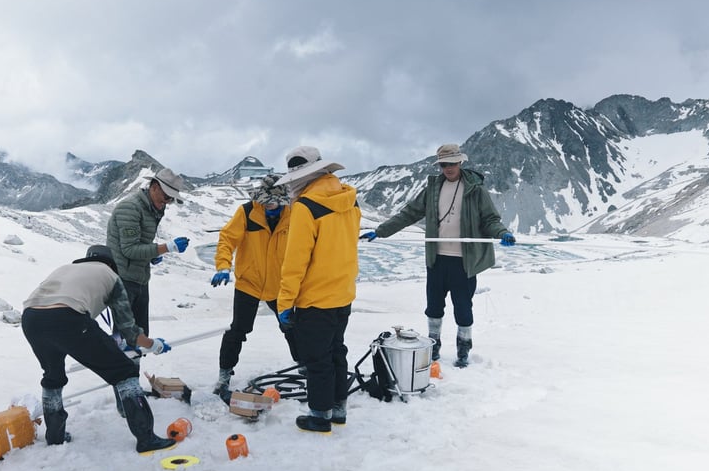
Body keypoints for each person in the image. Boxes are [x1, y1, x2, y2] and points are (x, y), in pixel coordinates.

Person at [360, 143, 515, 368]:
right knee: (434, 307)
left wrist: (503, 232)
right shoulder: (433, 189)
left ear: (460, 162)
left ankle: (464, 348)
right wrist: (381, 231)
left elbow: (490, 219)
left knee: (463, 307)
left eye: (452, 163)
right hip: (437, 259)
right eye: (444, 164)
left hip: (464, 262)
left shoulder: (475, 189)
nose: (448, 168)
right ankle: (434, 346)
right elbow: (410, 213)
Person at [21, 245, 176, 454]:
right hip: (68, 316)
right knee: (125, 372)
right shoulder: (111, 276)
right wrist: (153, 344)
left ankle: (55, 436)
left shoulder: (65, 268)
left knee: (52, 377)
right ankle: (146, 438)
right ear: (111, 263)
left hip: (31, 318)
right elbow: (128, 329)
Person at [275, 146, 361, 434]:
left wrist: (285, 302)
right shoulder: (350, 200)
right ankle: (339, 409)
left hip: (315, 298)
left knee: (317, 359)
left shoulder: (306, 207)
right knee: (337, 350)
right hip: (343, 293)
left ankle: (319, 417)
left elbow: (295, 261)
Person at [210, 173, 299, 395]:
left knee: (292, 328)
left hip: (280, 286)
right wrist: (223, 265)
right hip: (249, 283)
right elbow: (227, 239)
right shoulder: (248, 212)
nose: (270, 207)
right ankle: (224, 373)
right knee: (238, 330)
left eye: (275, 203)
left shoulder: (294, 214)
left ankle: (305, 366)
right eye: (266, 202)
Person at [106, 167, 190, 336]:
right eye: (166, 196)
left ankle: (135, 361)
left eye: (171, 199)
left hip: (139, 278)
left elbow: (141, 243)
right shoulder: (130, 208)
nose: (167, 202)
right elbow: (129, 250)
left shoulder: (152, 208)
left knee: (140, 334)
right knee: (124, 335)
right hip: (123, 280)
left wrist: (152, 256)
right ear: (154, 187)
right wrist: (167, 247)